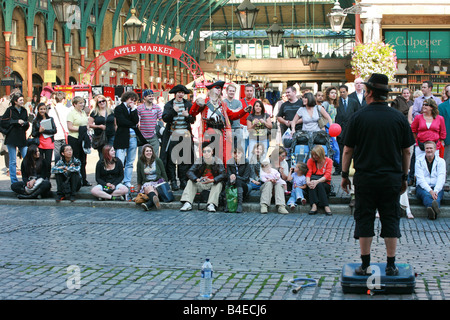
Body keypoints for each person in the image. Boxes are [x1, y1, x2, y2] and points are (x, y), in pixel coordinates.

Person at [341, 73, 415, 276]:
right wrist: (404, 176)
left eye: (366, 91)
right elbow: (407, 151)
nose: (364, 94)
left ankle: (365, 265)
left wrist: (345, 174)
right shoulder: (398, 118)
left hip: (365, 178)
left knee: (364, 218)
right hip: (391, 178)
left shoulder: (358, 117)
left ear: (371, 92)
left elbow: (348, 149)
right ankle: (391, 265)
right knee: (391, 218)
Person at [190, 80, 250, 167]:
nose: (219, 90)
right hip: (208, 132)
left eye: (220, 88)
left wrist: (244, 111)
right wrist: (197, 104)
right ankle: (208, 172)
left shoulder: (222, 104)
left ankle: (220, 174)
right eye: (217, 88)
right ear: (211, 90)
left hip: (220, 133)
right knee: (208, 153)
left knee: (220, 154)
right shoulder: (204, 102)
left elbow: (233, 116)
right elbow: (192, 113)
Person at [161, 84, 195, 191]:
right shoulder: (169, 105)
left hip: (185, 135)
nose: (181, 94)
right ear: (175, 94)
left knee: (184, 159)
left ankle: (183, 180)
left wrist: (187, 116)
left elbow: (193, 119)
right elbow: (165, 118)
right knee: (171, 159)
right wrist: (173, 111)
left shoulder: (188, 104)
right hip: (172, 135)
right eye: (179, 92)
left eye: (182, 93)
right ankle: (173, 180)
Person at [180, 142, 226, 213]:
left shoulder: (217, 161)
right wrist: (197, 179)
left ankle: (211, 204)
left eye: (208, 151)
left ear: (212, 152)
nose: (206, 153)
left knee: (219, 183)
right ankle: (188, 203)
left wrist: (212, 180)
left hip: (212, 183)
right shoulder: (199, 160)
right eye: (204, 151)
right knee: (190, 181)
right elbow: (189, 172)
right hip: (201, 183)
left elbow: (223, 174)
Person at [114, 91, 146, 188]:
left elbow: (136, 121)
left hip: (132, 137)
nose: (132, 102)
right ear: (126, 98)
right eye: (131, 99)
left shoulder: (133, 109)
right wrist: (132, 124)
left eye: (134, 100)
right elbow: (121, 121)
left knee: (130, 161)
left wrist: (133, 110)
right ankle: (119, 180)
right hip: (122, 137)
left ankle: (127, 180)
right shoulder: (119, 108)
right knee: (120, 160)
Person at [1, 92, 29, 184]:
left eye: (22, 99)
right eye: (20, 100)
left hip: (21, 136)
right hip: (12, 137)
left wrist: (25, 124)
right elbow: (3, 122)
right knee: (13, 161)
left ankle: (26, 179)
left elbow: (27, 123)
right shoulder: (10, 110)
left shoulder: (24, 110)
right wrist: (16, 121)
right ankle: (14, 181)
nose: (22, 101)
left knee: (26, 158)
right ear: (15, 101)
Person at [414, 141, 445, 220]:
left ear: (435, 149)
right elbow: (420, 179)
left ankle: (431, 209)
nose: (429, 150)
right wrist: (431, 191)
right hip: (422, 187)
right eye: (427, 148)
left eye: (431, 148)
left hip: (436, 187)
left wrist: (436, 190)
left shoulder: (441, 161)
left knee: (437, 196)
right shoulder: (419, 161)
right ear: (424, 149)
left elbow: (441, 178)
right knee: (426, 194)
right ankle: (435, 208)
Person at [334, 85, 359, 175]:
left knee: (352, 149)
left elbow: (357, 114)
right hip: (340, 130)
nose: (342, 94)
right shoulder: (337, 102)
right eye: (340, 92)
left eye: (343, 92)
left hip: (351, 129)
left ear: (347, 92)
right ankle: (339, 169)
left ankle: (352, 168)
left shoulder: (353, 102)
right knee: (340, 150)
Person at [67, 96, 91, 187]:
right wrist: (81, 129)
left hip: (83, 138)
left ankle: (84, 179)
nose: (82, 105)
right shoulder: (71, 114)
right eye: (80, 103)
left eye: (82, 103)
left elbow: (86, 123)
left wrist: (86, 128)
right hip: (74, 138)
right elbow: (70, 127)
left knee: (83, 160)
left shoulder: (83, 113)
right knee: (76, 159)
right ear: (74, 104)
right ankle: (76, 180)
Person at [136, 144, 168, 211]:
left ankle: (149, 204)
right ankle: (154, 201)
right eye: (147, 151)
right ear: (143, 153)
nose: (149, 153)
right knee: (150, 188)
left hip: (157, 182)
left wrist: (166, 185)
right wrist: (138, 188)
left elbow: (163, 172)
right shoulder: (140, 162)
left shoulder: (158, 160)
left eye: (150, 151)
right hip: (147, 183)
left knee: (154, 191)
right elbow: (139, 176)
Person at [31, 102, 57, 178]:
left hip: (49, 143)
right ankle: (41, 177)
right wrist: (39, 131)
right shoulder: (35, 121)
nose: (42, 111)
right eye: (41, 109)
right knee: (40, 162)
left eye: (44, 109)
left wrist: (44, 130)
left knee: (48, 163)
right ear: (38, 110)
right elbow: (33, 133)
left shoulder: (50, 119)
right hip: (40, 143)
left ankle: (47, 178)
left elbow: (54, 130)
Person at [305, 145, 333, 215]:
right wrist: (308, 182)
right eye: (313, 155)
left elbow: (327, 175)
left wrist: (317, 181)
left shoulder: (329, 161)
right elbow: (308, 173)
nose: (314, 157)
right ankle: (314, 205)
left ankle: (325, 205)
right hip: (313, 181)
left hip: (325, 183)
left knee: (319, 184)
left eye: (316, 155)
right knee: (312, 184)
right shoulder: (311, 161)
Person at [137, 89, 163, 157]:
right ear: (144, 97)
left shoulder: (157, 108)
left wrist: (160, 131)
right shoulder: (139, 108)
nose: (151, 97)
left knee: (154, 157)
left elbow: (161, 120)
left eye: (152, 96)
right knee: (141, 157)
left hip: (154, 136)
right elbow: (136, 121)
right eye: (149, 96)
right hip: (143, 137)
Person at [226, 146, 250, 213]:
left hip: (244, 185)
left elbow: (245, 178)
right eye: (234, 152)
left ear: (242, 153)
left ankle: (239, 204)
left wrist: (235, 177)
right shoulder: (229, 162)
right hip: (232, 183)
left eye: (239, 153)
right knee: (228, 181)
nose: (236, 154)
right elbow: (228, 175)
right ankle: (227, 203)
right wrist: (231, 176)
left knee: (238, 181)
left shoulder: (246, 162)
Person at [48, 91, 69, 163]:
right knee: (66, 153)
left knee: (57, 153)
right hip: (65, 134)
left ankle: (58, 169)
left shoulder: (51, 111)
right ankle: (65, 169)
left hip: (56, 135)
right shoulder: (67, 110)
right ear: (63, 99)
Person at [223, 83, 244, 152]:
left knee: (238, 149)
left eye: (233, 91)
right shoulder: (223, 102)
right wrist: (234, 111)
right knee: (228, 149)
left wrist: (229, 110)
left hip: (237, 128)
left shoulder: (238, 102)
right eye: (230, 91)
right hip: (227, 129)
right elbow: (225, 113)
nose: (231, 92)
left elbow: (239, 112)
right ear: (226, 91)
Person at [438, 84, 450, 190]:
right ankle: (445, 181)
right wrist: (442, 138)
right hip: (448, 137)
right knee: (446, 161)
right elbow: (440, 124)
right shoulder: (442, 107)